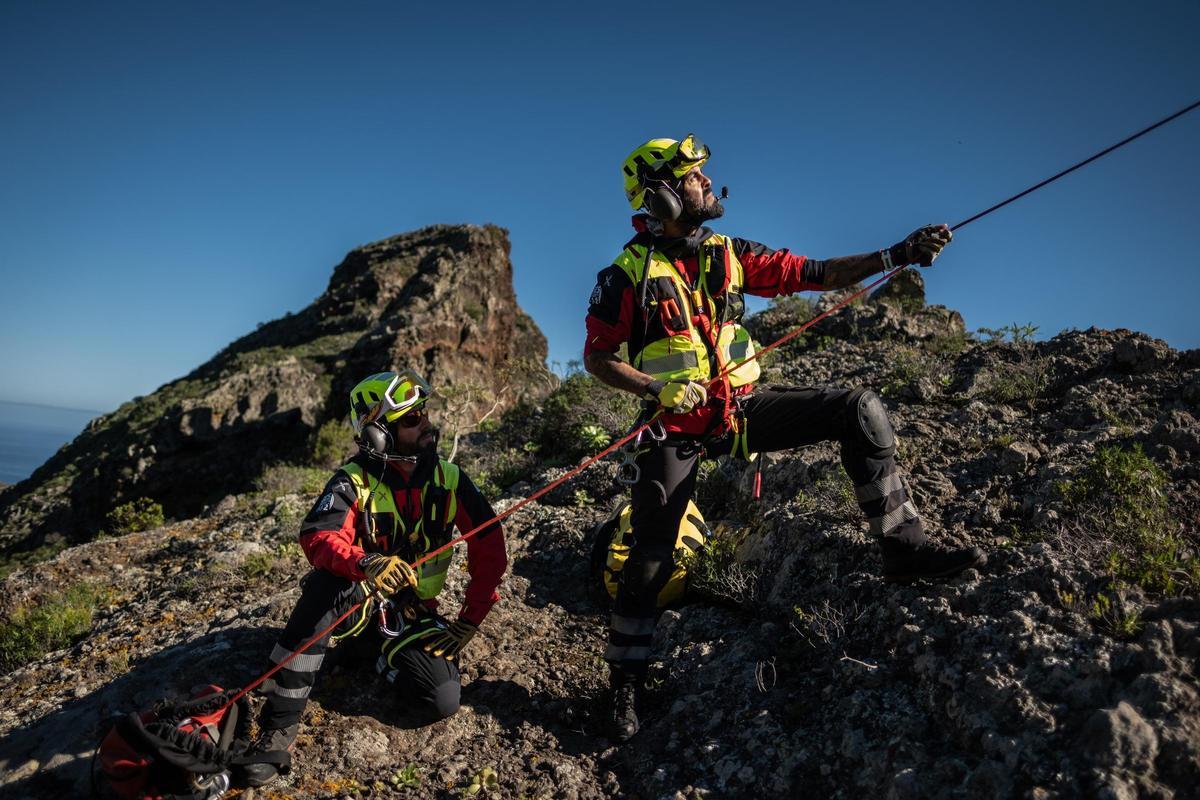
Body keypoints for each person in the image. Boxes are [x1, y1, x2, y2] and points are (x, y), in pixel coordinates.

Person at [584, 135, 986, 742]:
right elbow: (597, 358)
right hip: (675, 428)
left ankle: (904, 552)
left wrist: (897, 253)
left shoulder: (731, 253)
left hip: (742, 411)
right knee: (649, 557)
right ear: (663, 197)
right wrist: (654, 388)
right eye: (695, 177)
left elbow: (817, 274)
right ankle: (625, 685)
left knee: (858, 410)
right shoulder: (624, 277)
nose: (708, 184)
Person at [238, 369, 507, 787]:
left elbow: (490, 546)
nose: (425, 422)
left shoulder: (449, 479)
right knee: (327, 583)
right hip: (356, 608)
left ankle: (375, 655)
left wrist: (470, 620)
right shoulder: (352, 480)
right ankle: (278, 726)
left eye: (424, 412)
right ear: (378, 433)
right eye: (410, 418)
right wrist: (365, 563)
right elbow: (319, 537)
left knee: (442, 698)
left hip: (412, 617)